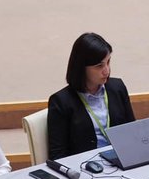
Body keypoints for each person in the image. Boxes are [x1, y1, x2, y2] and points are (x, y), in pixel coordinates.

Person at [48, 32, 136, 160]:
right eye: (99, 66)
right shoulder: (61, 101)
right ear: (81, 68)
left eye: (108, 62)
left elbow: (133, 131)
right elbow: (58, 155)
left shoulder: (117, 87)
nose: (106, 70)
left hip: (122, 160)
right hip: (87, 168)